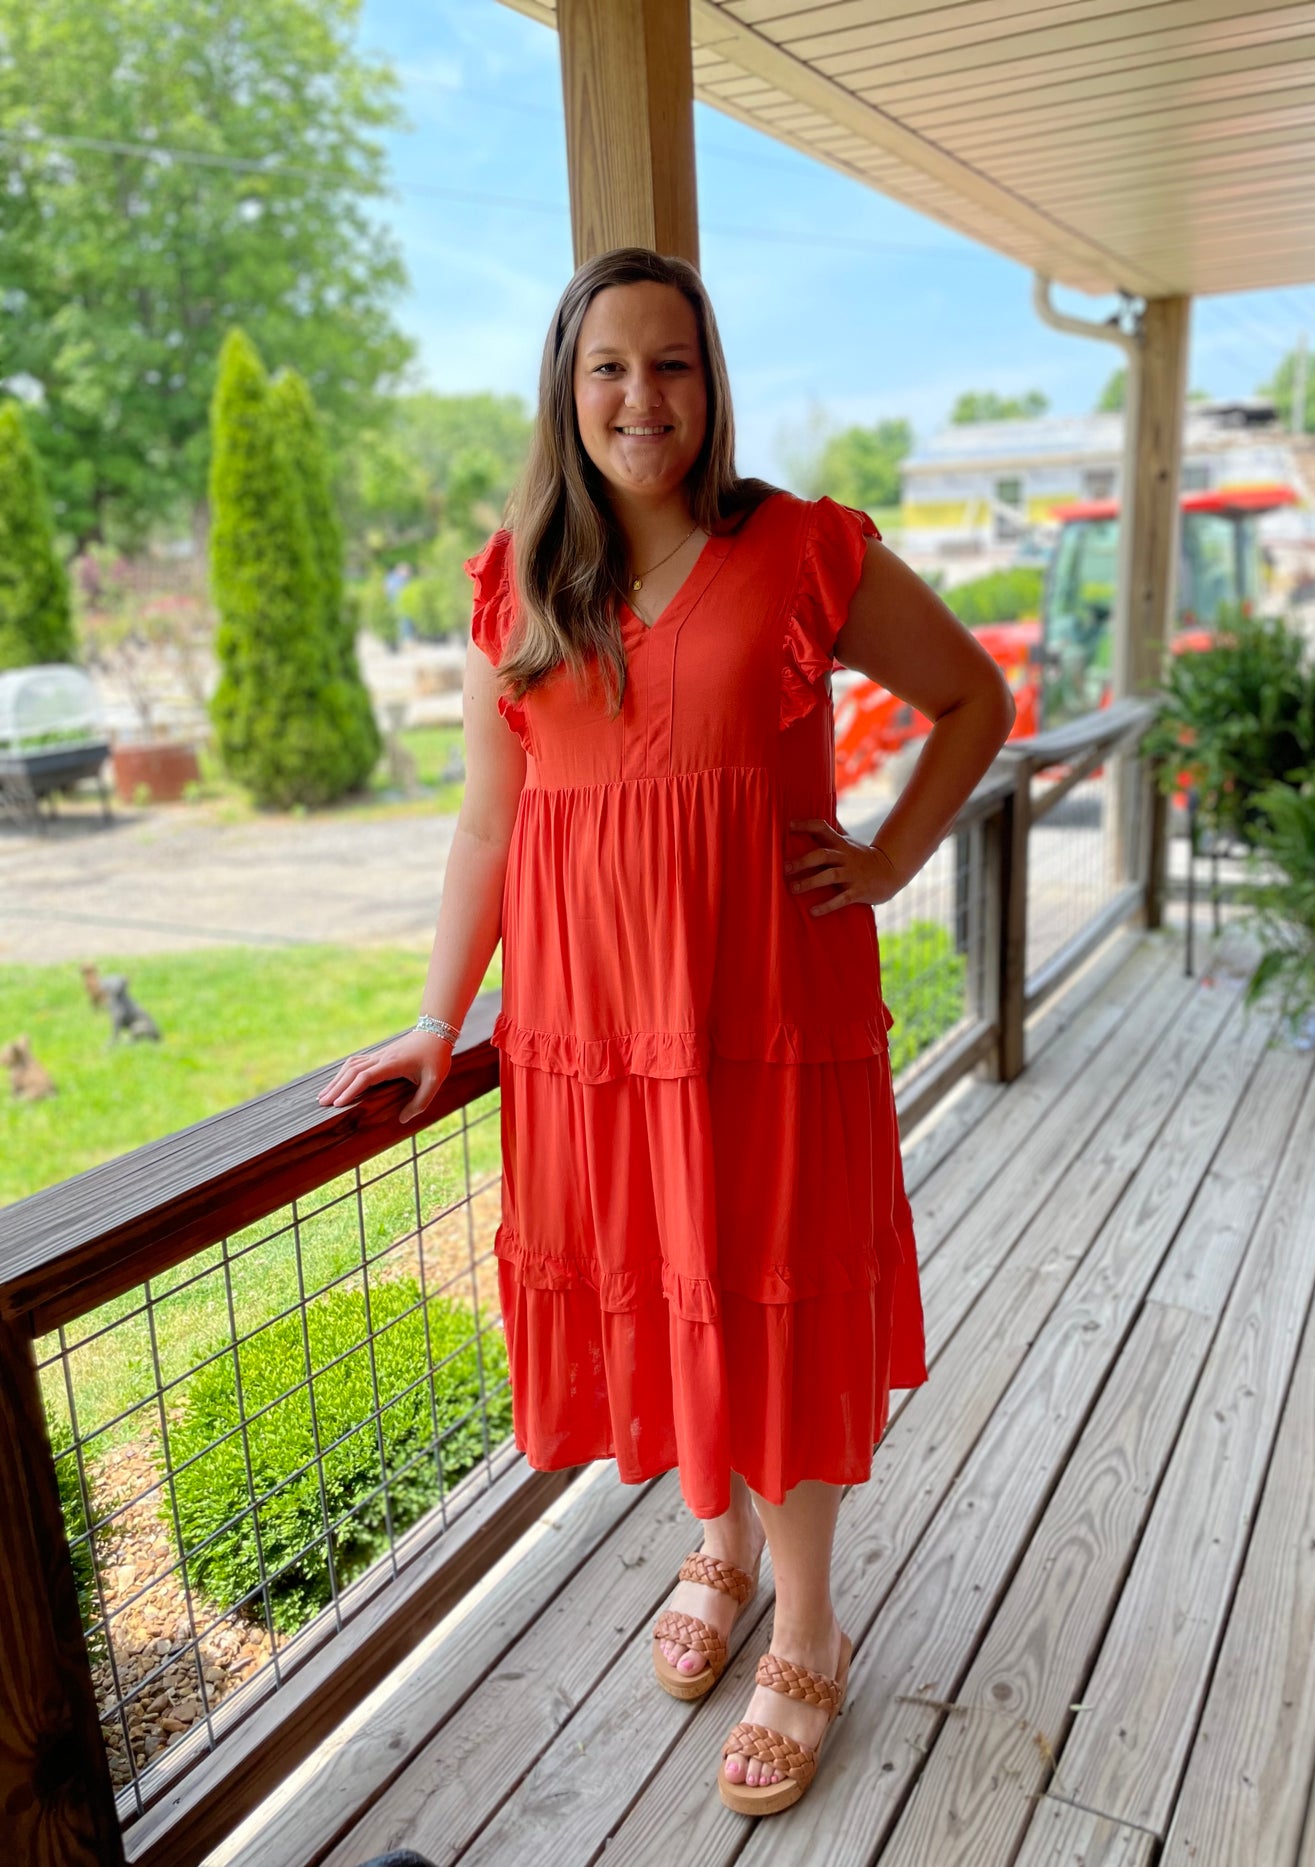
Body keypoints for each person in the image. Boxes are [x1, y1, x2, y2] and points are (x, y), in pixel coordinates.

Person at [318, 247, 1015, 1818]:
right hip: (592, 1032)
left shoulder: (801, 552)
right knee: (676, 1296)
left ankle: (812, 1623)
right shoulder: (520, 578)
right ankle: (718, 1541)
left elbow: (975, 698)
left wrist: (891, 859)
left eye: (674, 365)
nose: (645, 398)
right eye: (610, 369)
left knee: (770, 1297)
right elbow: (493, 830)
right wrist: (439, 1020)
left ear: (712, 383)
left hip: (765, 1012)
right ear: (566, 395)